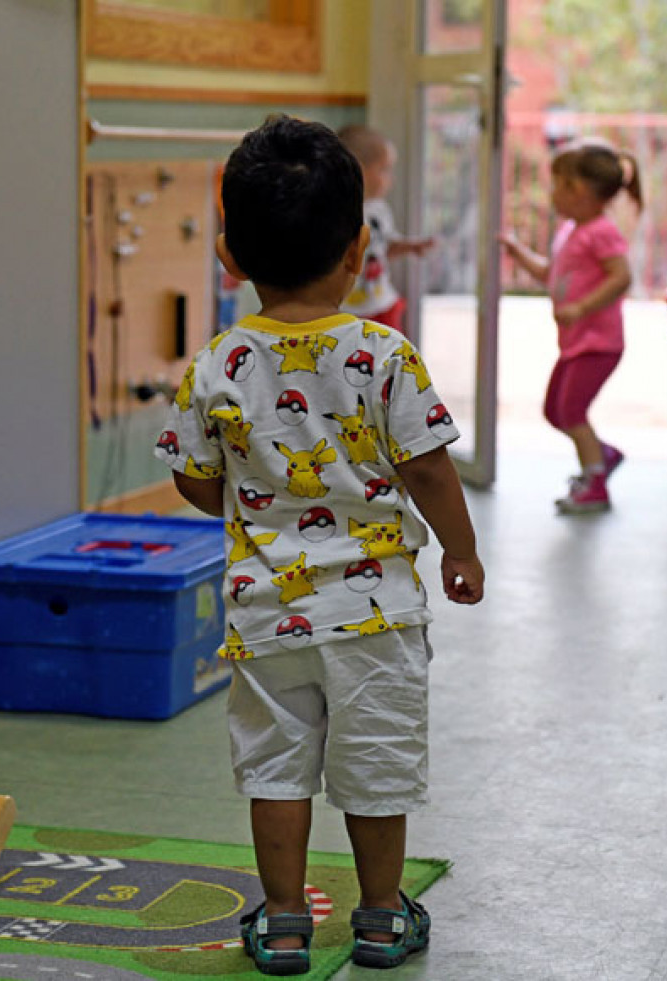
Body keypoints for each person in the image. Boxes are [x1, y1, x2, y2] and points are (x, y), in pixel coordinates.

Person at [154, 114, 484, 976]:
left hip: (267, 615)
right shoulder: (383, 353)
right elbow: (428, 470)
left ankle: (287, 920)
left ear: (230, 256)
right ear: (358, 249)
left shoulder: (218, 362)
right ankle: (379, 917)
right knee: (374, 765)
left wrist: (247, 493)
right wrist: (459, 550)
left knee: (275, 770)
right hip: (375, 615)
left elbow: (193, 481)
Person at [500, 137, 643, 513]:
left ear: (579, 191)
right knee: (555, 410)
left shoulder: (602, 231)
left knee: (571, 411)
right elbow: (551, 273)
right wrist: (518, 253)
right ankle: (602, 454)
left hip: (599, 343)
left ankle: (595, 483)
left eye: (558, 184)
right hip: (576, 342)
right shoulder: (571, 231)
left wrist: (581, 307)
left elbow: (622, 277)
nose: (552, 194)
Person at [337, 124, 434, 332]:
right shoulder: (337, 212)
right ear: (358, 169)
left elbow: (382, 249)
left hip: (382, 303)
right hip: (346, 310)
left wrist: (408, 246)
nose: (391, 178)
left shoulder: (379, 209)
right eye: (384, 169)